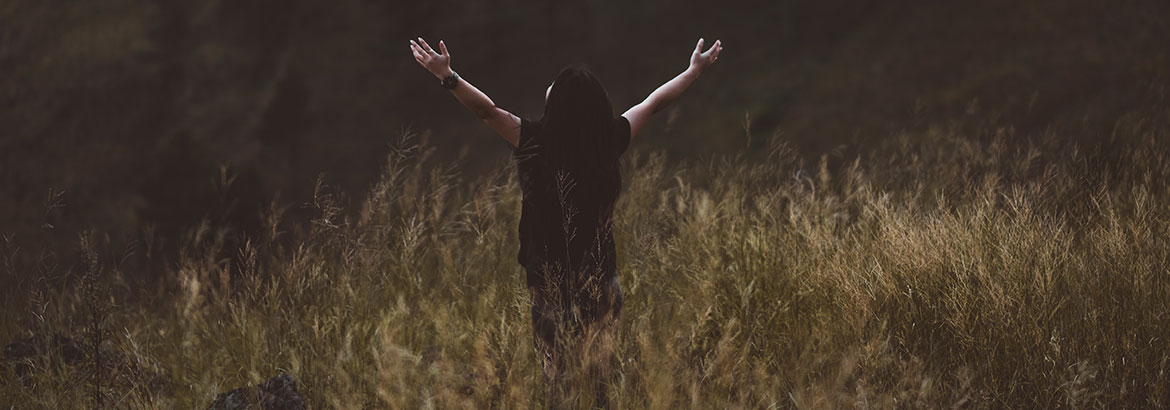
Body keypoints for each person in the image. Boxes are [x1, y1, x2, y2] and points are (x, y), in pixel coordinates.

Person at [409, 36, 722, 409]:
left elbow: (487, 111)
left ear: (555, 103)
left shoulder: (532, 140)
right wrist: (693, 71)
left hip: (548, 287)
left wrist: (448, 77)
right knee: (599, 385)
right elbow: (653, 104)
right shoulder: (610, 139)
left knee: (559, 388)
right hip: (602, 282)